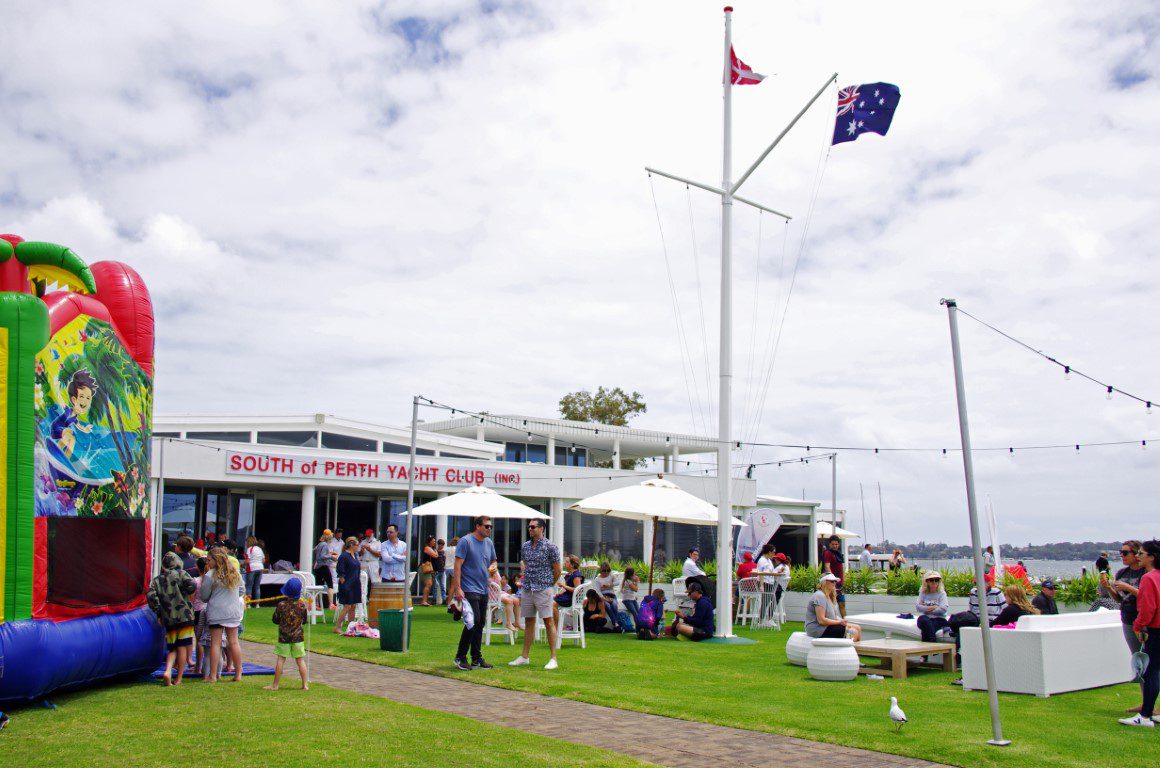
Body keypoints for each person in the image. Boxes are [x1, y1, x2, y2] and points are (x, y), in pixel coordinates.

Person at [510, 517, 561, 669]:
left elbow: (557, 570)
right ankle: (524, 656)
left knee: (548, 621)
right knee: (529, 621)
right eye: (529, 527)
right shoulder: (526, 546)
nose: (530, 529)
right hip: (527, 589)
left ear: (541, 529)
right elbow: (525, 565)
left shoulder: (550, 547)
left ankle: (553, 658)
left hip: (542, 589)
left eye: (533, 527)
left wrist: (548, 585)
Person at [1120, 539, 1160, 727]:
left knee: (1150, 672)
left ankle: (1145, 716)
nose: (1138, 556)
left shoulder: (1149, 578)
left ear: (1151, 557)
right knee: (1155, 671)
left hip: (1154, 630)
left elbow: (1148, 607)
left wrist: (1138, 626)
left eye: (1141, 554)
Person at [453, 515, 498, 671]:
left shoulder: (489, 543)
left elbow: (493, 560)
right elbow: (457, 566)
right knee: (473, 621)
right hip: (469, 587)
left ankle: (476, 658)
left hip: (483, 588)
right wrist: (458, 588)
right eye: (486, 526)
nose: (489, 529)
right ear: (478, 526)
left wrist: (494, 567)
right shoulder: (466, 542)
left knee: (480, 623)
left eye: (490, 526)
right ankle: (460, 657)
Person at [1107, 540, 1147, 713]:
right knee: (1138, 661)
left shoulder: (1148, 574)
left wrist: (1128, 588)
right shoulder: (1122, 573)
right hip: (1128, 619)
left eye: (1125, 553)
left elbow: (1148, 597)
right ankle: (1147, 702)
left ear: (1137, 554)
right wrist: (1109, 589)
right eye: (1121, 552)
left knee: (1151, 661)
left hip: (1145, 622)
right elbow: (1119, 599)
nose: (1122, 556)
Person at [147, 551, 197, 686]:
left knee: (173, 648)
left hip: (168, 617)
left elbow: (151, 597)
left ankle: (168, 670)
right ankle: (178, 678)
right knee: (182, 647)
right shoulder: (182, 574)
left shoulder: (157, 580)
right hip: (185, 616)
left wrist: (159, 612)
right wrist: (185, 593)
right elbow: (192, 585)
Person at [198, 549, 244, 683]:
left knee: (216, 644)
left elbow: (204, 596)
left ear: (215, 560)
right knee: (234, 642)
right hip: (233, 612)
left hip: (216, 612)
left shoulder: (210, 575)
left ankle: (212, 676)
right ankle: (238, 673)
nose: (208, 562)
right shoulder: (235, 573)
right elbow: (241, 590)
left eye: (209, 560)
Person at [264, 576, 309, 691]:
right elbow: (305, 620)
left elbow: (275, 619)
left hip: (284, 637)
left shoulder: (281, 605)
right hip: (298, 637)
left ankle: (275, 685)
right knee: (300, 660)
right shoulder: (302, 605)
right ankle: (304, 684)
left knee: (280, 660)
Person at [805, 573, 861, 641]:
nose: (834, 583)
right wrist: (839, 622)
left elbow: (833, 616)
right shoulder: (820, 596)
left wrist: (842, 621)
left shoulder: (829, 596)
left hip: (827, 626)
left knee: (857, 628)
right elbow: (821, 620)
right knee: (852, 631)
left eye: (835, 581)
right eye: (832, 581)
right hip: (818, 629)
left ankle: (854, 650)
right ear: (824, 582)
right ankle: (849, 649)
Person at [334, 537, 362, 633]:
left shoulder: (355, 555)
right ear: (351, 545)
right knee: (347, 606)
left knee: (353, 606)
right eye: (357, 545)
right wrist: (343, 583)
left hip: (355, 583)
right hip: (347, 583)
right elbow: (340, 570)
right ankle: (337, 627)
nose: (358, 547)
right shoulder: (344, 556)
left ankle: (351, 627)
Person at [915, 571, 950, 642]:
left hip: (939, 619)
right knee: (923, 619)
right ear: (927, 582)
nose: (934, 582)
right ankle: (933, 645)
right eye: (931, 580)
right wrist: (935, 607)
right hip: (926, 619)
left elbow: (943, 609)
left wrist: (925, 608)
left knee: (926, 628)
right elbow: (918, 607)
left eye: (936, 580)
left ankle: (928, 647)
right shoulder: (923, 593)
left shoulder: (942, 593)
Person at [593, 562, 624, 632]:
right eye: (604, 570)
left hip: (611, 595)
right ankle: (616, 624)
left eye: (608, 570)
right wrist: (604, 598)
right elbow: (597, 591)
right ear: (601, 570)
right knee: (608, 606)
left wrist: (609, 585)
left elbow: (617, 582)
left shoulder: (611, 576)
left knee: (614, 605)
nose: (606, 572)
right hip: (603, 596)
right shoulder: (597, 579)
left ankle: (616, 624)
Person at [553, 554, 584, 623]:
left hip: (571, 598)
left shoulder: (576, 575)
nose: (565, 563)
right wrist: (558, 594)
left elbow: (577, 590)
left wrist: (564, 586)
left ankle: (557, 627)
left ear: (572, 565)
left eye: (567, 562)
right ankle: (556, 626)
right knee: (549, 602)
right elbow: (564, 589)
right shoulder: (569, 574)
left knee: (552, 605)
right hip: (565, 596)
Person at [821, 535, 847, 617]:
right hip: (833, 583)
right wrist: (833, 579)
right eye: (833, 544)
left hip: (840, 583)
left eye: (836, 544)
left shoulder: (838, 554)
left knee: (842, 604)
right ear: (829, 544)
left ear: (838, 544)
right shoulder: (828, 553)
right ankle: (831, 622)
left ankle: (846, 622)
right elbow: (827, 566)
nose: (835, 546)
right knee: (832, 604)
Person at [313, 531, 337, 610]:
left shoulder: (320, 544)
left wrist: (328, 553)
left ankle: (316, 604)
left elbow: (315, 550)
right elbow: (323, 555)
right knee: (330, 585)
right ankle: (331, 603)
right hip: (324, 566)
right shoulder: (325, 544)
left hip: (318, 567)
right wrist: (331, 556)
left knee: (318, 586)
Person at [243, 536, 265, 607]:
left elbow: (247, 561)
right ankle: (257, 604)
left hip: (252, 568)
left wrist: (242, 565)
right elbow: (263, 560)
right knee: (257, 587)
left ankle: (248, 604)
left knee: (249, 586)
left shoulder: (249, 549)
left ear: (249, 542)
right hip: (260, 568)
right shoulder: (259, 549)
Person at [420, 535, 440, 606]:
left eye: (435, 541)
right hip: (425, 568)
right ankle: (424, 601)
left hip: (429, 569)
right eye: (433, 541)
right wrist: (435, 551)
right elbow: (435, 555)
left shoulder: (432, 548)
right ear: (429, 542)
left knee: (429, 584)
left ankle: (425, 600)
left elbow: (436, 555)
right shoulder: (427, 548)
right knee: (428, 584)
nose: (434, 542)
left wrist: (435, 551)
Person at [433, 539, 448, 605]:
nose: (441, 546)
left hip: (442, 570)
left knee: (443, 586)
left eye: (442, 545)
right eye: (440, 544)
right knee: (435, 586)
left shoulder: (443, 552)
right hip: (436, 571)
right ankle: (434, 599)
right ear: (438, 544)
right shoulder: (435, 551)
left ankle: (444, 599)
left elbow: (445, 560)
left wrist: (445, 566)